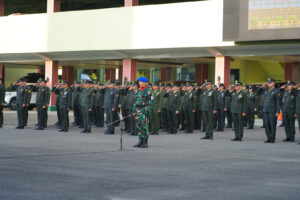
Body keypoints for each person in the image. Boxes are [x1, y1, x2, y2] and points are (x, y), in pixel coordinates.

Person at [133, 77, 153, 148]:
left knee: (144, 127)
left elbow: (150, 102)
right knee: (139, 127)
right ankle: (140, 141)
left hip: (144, 111)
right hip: (138, 111)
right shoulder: (138, 90)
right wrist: (134, 110)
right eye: (139, 82)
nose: (139, 83)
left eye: (140, 82)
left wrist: (146, 111)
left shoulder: (148, 91)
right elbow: (135, 101)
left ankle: (145, 142)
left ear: (145, 82)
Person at [262, 78, 280, 143]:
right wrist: (263, 86)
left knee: (272, 125)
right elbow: (258, 92)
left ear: (274, 83)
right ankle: (268, 138)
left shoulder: (276, 91)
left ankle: (272, 138)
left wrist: (278, 111)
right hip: (265, 110)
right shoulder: (266, 90)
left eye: (270, 82)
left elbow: (278, 102)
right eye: (268, 82)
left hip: (272, 110)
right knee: (266, 125)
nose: (269, 84)